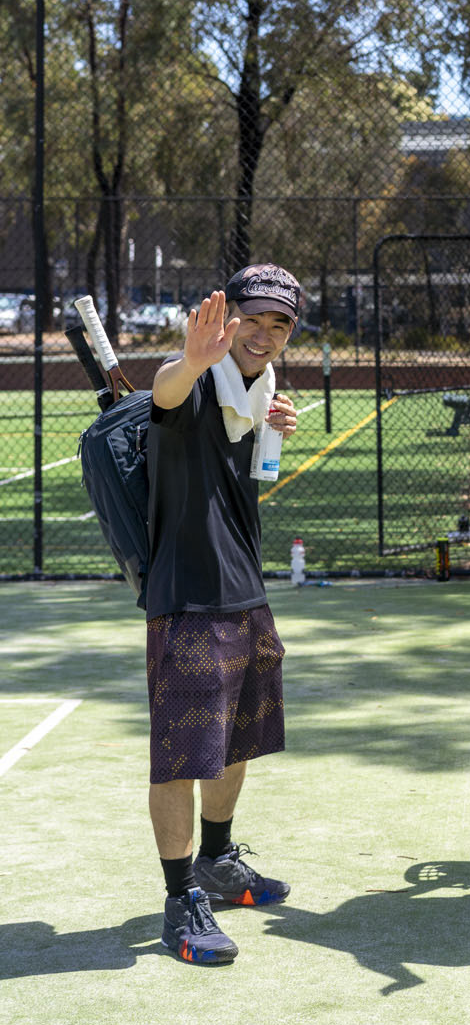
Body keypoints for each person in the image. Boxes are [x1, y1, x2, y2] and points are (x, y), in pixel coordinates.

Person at [144, 263, 302, 964]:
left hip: (243, 590)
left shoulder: (255, 394)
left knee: (238, 742)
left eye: (280, 324)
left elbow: (243, 489)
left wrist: (270, 435)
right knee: (182, 757)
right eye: (254, 319)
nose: (264, 335)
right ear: (226, 318)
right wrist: (191, 359)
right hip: (188, 597)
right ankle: (182, 898)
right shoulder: (198, 379)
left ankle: (216, 857)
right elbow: (163, 393)